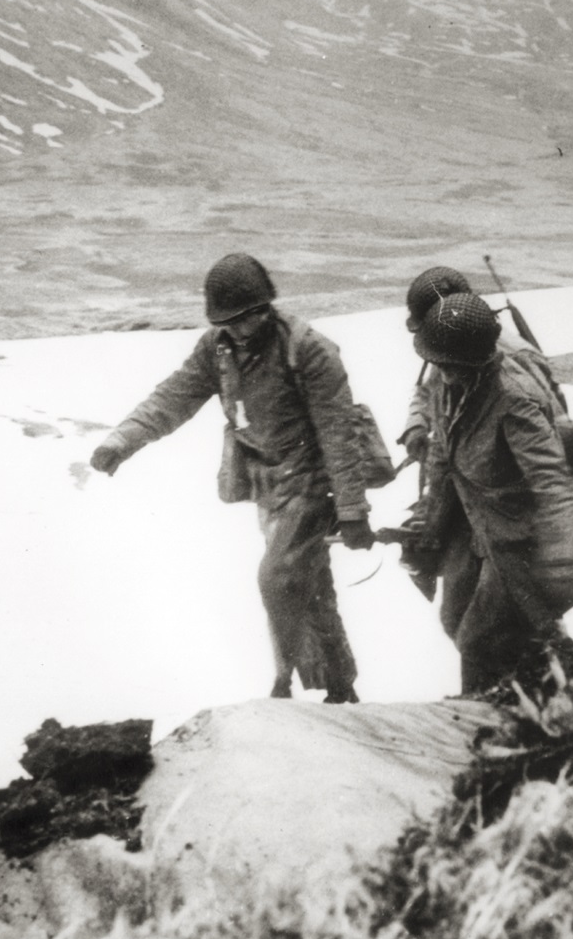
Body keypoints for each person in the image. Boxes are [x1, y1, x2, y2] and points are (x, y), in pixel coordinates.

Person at [88, 253, 378, 703]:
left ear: (267, 307)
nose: (244, 328)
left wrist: (353, 510)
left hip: (309, 478)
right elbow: (175, 396)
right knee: (308, 583)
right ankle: (339, 687)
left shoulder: (310, 350)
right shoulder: (217, 348)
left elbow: (339, 435)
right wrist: (123, 440)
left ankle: (283, 686)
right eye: (233, 321)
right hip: (266, 482)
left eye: (253, 316)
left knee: (277, 579)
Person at [405, 293, 573, 692]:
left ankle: (484, 717)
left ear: (474, 360)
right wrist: (429, 521)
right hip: (485, 530)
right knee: (455, 620)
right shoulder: (449, 383)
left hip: (525, 543)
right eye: (440, 364)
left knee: (478, 639)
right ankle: (525, 693)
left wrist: (562, 560)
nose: (441, 372)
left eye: (450, 365)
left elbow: (553, 482)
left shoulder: (514, 399)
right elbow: (442, 454)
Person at [396, 265, 562, 473]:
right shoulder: (449, 348)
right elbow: (432, 387)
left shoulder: (516, 360)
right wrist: (417, 422)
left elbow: (554, 434)